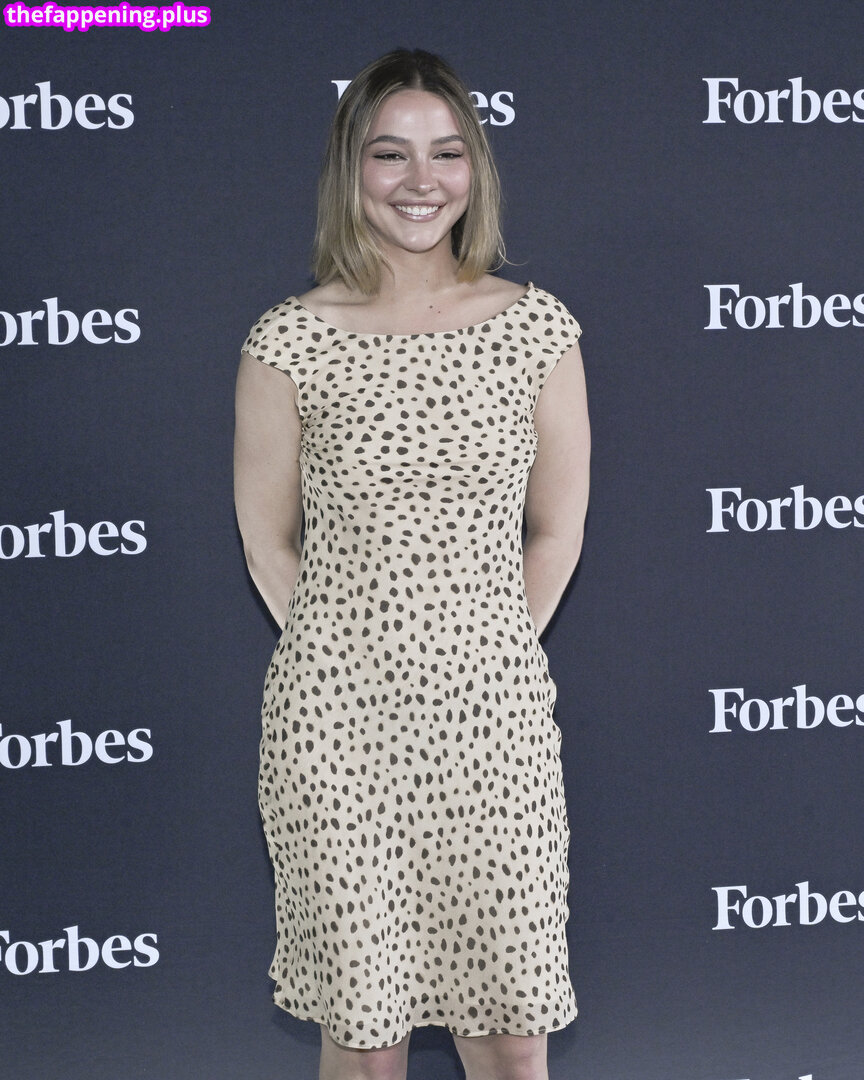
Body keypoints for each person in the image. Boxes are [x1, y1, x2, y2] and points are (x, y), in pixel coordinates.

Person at [234, 48, 590, 1080]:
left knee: (513, 1036)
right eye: (391, 154)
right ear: (351, 169)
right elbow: (266, 538)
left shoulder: (536, 329)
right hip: (336, 729)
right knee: (366, 1038)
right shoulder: (288, 342)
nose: (420, 180)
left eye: (446, 153)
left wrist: (486, 650)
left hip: (493, 719)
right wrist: (346, 654)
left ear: (476, 169)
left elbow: (556, 529)